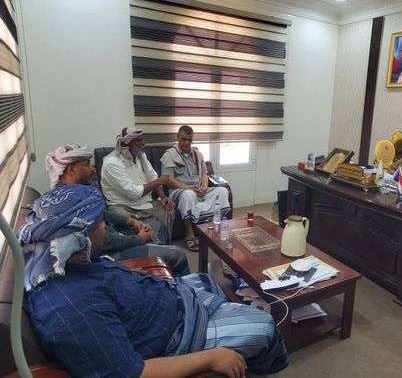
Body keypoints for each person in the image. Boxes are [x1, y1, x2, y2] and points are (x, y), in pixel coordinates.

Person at [20, 184, 289, 378]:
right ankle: (256, 367)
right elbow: (131, 373)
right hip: (174, 335)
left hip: (169, 305)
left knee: (206, 280)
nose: (105, 227)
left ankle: (232, 331)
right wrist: (212, 357)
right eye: (99, 222)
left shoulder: (68, 265)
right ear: (78, 235)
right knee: (265, 326)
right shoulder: (71, 309)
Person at [45, 144, 190, 276]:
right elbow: (103, 242)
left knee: (156, 227)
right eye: (87, 164)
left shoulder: (69, 193)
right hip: (107, 256)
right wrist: (139, 239)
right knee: (178, 255)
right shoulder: (72, 201)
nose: (93, 168)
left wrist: (131, 221)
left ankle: (160, 273)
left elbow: (103, 213)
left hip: (112, 237)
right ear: (71, 169)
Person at [101, 128, 181, 244]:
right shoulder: (111, 163)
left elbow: (153, 177)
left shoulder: (140, 156)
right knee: (124, 219)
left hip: (144, 203)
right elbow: (133, 193)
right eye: (138, 140)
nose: (143, 144)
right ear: (127, 143)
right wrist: (160, 181)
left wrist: (163, 197)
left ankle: (160, 246)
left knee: (169, 208)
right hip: (122, 206)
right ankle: (151, 248)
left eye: (142, 139)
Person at [161, 125, 230, 251]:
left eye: (189, 140)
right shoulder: (169, 155)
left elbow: (204, 174)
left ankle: (212, 229)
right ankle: (189, 234)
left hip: (198, 190)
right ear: (178, 138)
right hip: (179, 192)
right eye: (184, 139)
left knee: (222, 191)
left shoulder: (198, 154)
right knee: (188, 195)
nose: (187, 143)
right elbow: (169, 180)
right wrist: (190, 190)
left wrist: (204, 187)